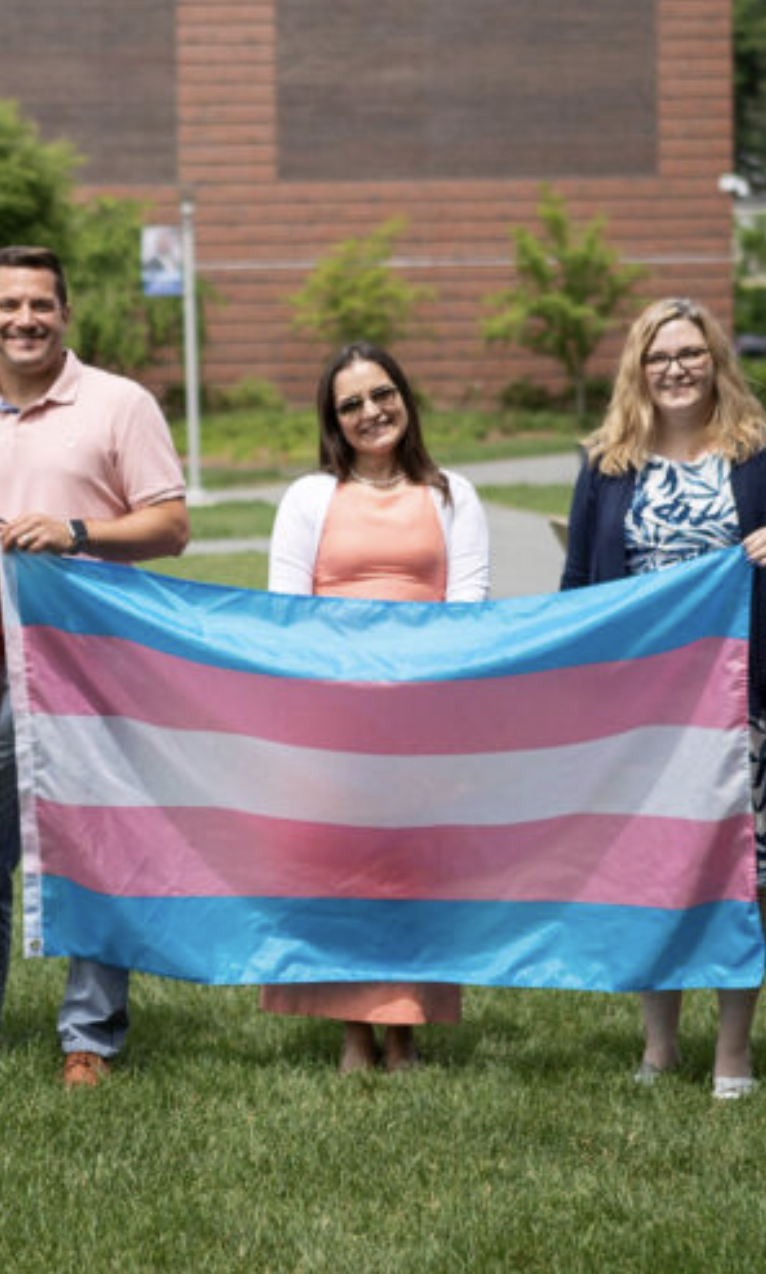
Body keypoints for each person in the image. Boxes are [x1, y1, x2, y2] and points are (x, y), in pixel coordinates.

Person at [0, 245, 190, 1088]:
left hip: (93, 662)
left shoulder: (120, 404)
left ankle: (89, 1037)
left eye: (41, 305)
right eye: (9, 306)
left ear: (64, 313)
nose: (25, 319)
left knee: (92, 849)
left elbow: (171, 526)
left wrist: (74, 531)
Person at [558, 297, 766, 1101]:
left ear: (716, 361)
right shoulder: (607, 466)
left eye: (691, 353)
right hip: (644, 712)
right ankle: (658, 1047)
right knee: (653, 871)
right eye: (658, 356)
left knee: (741, 876)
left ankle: (735, 1053)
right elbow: (578, 590)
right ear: (637, 371)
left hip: (747, 706)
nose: (675, 369)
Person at [263, 343, 491, 1074]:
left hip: (425, 717)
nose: (371, 411)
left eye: (381, 393)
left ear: (406, 397)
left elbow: (471, 609)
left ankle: (405, 1032)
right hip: (335, 719)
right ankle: (353, 1032)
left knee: (413, 875)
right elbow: (286, 613)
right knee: (342, 873)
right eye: (351, 403)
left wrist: (415, 689)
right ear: (334, 421)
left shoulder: (454, 493)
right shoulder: (309, 497)